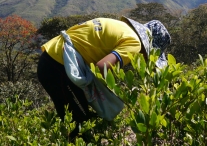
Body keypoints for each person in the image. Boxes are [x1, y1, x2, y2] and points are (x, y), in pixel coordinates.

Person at [37, 16, 171, 139]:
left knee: (75, 120)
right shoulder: (134, 44)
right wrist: (115, 95)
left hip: (52, 59)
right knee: (80, 125)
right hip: (58, 67)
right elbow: (101, 67)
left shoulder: (123, 28)